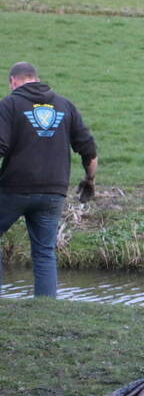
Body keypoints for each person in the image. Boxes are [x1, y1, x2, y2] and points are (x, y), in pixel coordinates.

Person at [0, 62, 97, 297]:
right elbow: (89, 150)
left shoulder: (9, 104)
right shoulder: (65, 105)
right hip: (53, 191)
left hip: (14, 188)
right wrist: (89, 180)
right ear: (35, 78)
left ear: (13, 81)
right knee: (44, 251)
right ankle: (46, 305)